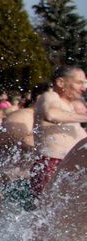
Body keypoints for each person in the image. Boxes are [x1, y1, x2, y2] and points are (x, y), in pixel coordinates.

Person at [30, 65, 87, 196]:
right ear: (60, 82)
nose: (84, 88)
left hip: (67, 167)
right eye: (79, 83)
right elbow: (51, 114)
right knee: (48, 212)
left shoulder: (70, 107)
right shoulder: (50, 96)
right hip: (51, 164)